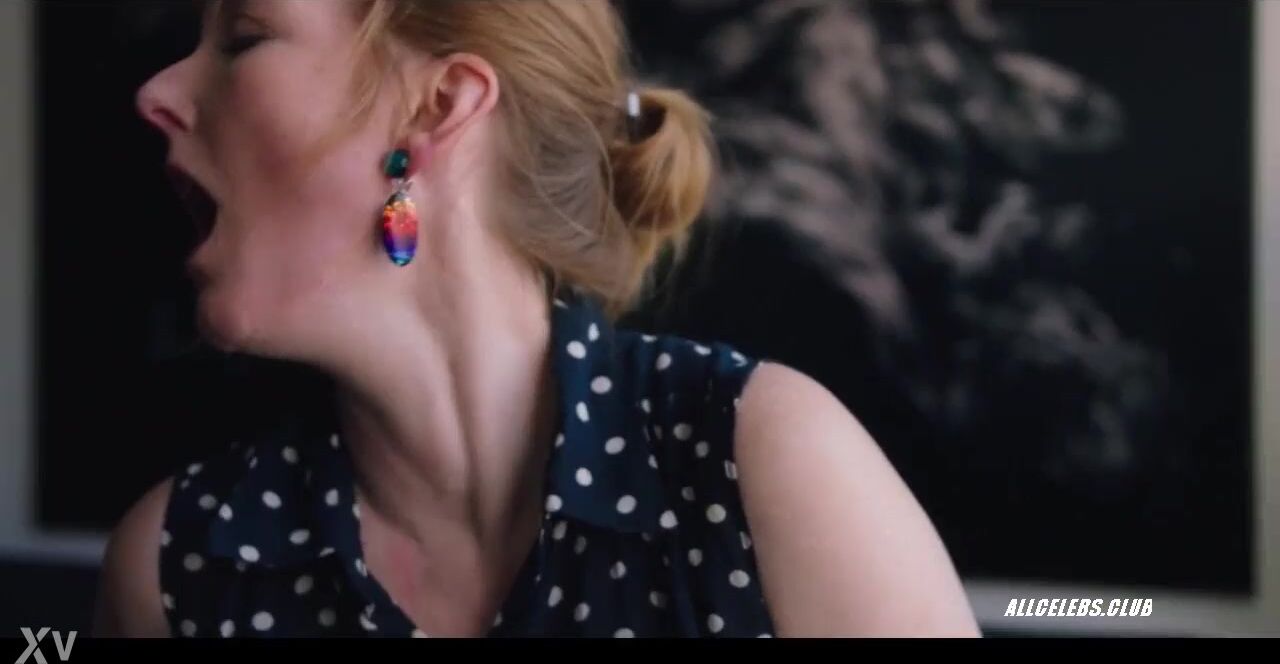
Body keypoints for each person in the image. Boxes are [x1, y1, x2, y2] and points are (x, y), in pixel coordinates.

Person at [94, 0, 979, 638]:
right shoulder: (179, 570)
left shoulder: (762, 464)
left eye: (245, 37)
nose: (158, 92)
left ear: (439, 106)